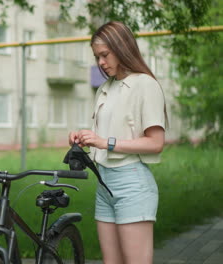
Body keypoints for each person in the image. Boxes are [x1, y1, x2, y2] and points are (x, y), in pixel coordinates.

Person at [69, 21, 167, 264]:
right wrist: (85, 137)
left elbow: (155, 143)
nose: (101, 62)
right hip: (104, 184)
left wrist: (106, 142)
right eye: (96, 57)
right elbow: (104, 137)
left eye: (105, 55)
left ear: (121, 47)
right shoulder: (104, 88)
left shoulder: (146, 84)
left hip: (132, 184)